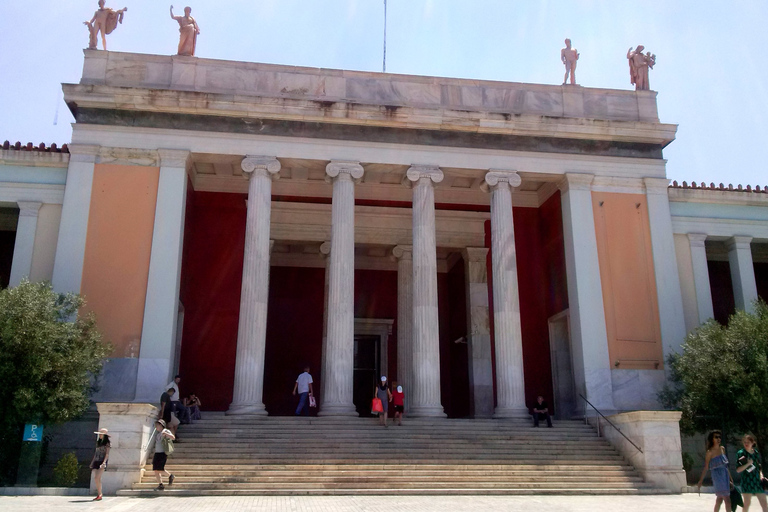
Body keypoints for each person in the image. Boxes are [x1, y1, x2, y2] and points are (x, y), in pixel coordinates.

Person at [697, 430, 734, 512]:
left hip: (725, 476)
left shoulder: (722, 449)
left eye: (719, 437)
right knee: (727, 499)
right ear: (712, 439)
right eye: (716, 437)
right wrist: (700, 481)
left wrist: (730, 479)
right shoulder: (710, 452)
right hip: (717, 477)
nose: (718, 439)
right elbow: (706, 467)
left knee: (719, 499)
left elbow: (725, 466)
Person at [736, 434, 767, 512]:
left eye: (748, 442)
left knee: (764, 503)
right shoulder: (741, 453)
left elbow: (758, 466)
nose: (746, 444)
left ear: (752, 443)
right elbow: (738, 470)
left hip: (757, 481)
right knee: (747, 504)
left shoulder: (755, 453)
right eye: (744, 442)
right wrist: (748, 464)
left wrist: (761, 475)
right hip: (747, 481)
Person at [152, 420, 176, 491]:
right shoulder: (158, 433)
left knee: (160, 469)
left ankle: (170, 475)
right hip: (157, 453)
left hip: (162, 453)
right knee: (155, 470)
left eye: (157, 425)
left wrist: (166, 434)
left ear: (161, 425)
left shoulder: (165, 431)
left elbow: (173, 437)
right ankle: (160, 484)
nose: (156, 427)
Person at [89, 428, 110, 501]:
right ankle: (99, 493)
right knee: (96, 478)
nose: (100, 435)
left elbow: (107, 454)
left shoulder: (107, 443)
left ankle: (100, 494)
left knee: (97, 477)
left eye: (101, 434)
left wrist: (104, 462)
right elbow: (96, 453)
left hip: (102, 461)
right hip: (96, 461)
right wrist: (92, 462)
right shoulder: (98, 443)